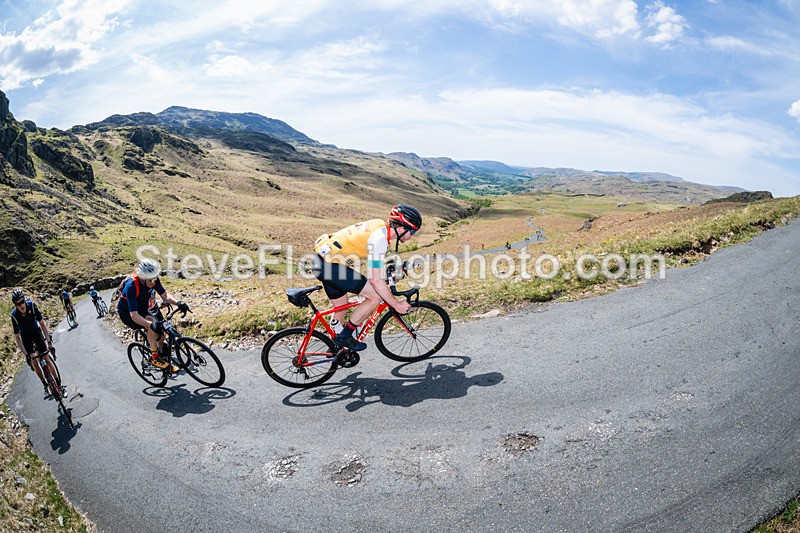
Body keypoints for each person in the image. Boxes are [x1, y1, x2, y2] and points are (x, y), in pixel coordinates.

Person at [312, 204, 421, 351]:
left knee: (341, 306)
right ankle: (345, 337)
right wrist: (396, 305)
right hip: (331, 267)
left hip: (321, 262)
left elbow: (374, 267)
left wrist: (393, 270)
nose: (412, 236)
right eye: (412, 232)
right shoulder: (380, 239)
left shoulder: (379, 226)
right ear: (401, 228)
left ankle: (335, 349)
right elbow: (375, 280)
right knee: (375, 297)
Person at [116, 259, 188, 370]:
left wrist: (178, 303)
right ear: (142, 277)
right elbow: (134, 315)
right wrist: (150, 325)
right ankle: (155, 357)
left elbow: (164, 295)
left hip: (142, 309)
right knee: (152, 325)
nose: (153, 282)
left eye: (155, 278)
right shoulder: (131, 286)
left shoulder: (152, 278)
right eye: (151, 280)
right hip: (128, 314)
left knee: (161, 333)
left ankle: (161, 353)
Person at [10, 289, 61, 397]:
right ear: (15, 305)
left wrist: (48, 341)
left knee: (46, 358)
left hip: (36, 332)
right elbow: (17, 338)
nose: (22, 305)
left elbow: (42, 324)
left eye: (23, 301)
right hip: (26, 338)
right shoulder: (14, 316)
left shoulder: (32, 305)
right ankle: (44, 383)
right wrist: (26, 355)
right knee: (34, 361)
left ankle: (58, 384)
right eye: (19, 304)